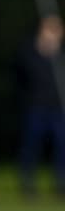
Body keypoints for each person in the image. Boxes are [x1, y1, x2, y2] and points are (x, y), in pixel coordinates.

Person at [14, 14, 65, 198]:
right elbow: (22, 73)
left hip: (58, 108)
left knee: (62, 146)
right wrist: (43, 49)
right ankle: (28, 183)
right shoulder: (30, 52)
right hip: (36, 107)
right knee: (31, 146)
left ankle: (61, 183)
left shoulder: (60, 56)